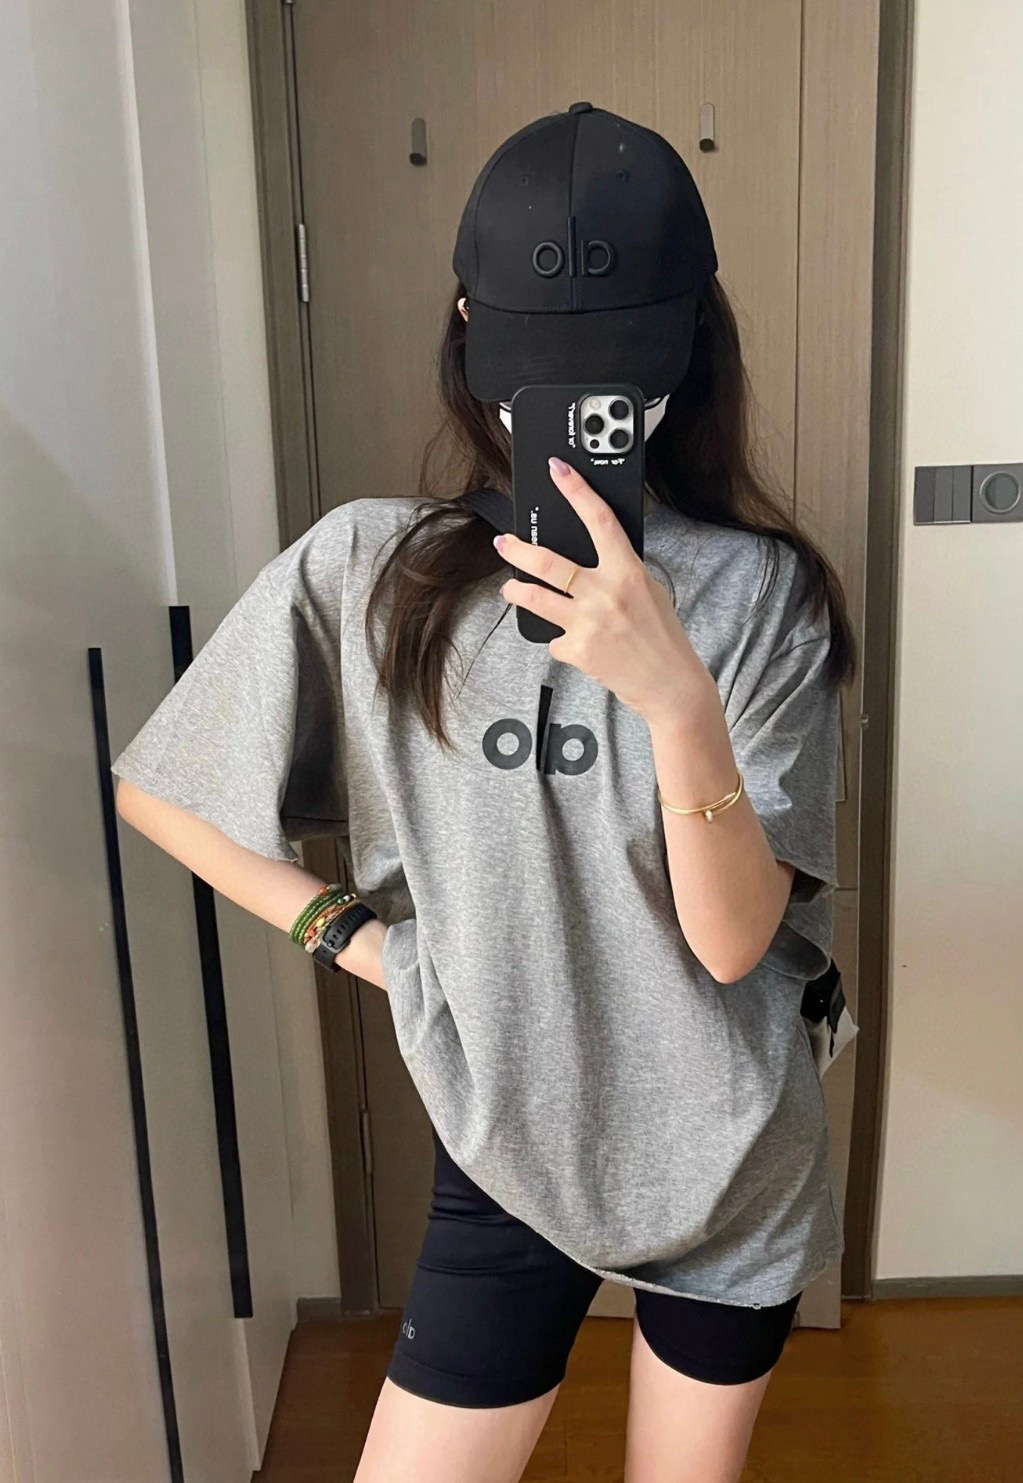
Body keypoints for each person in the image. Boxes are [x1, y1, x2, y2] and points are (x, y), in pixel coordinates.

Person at [112, 102, 857, 1483]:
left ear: (688, 343)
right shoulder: (371, 572)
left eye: (614, 363)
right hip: (503, 1133)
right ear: (469, 328)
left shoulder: (764, 597)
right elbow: (163, 789)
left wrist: (677, 700)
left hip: (730, 1150)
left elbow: (731, 946)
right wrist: (364, 942)